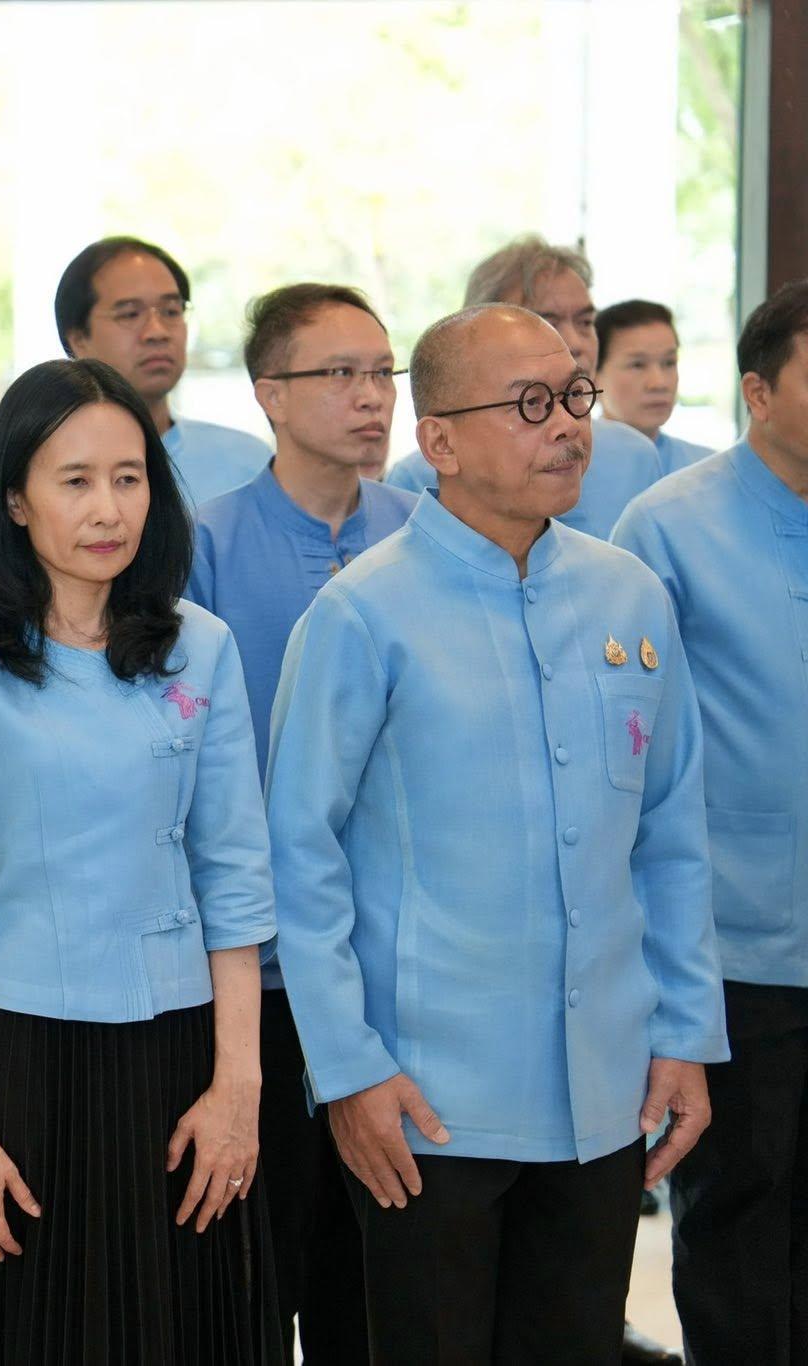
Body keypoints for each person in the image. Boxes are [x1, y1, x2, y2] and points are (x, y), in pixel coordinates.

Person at [271, 303, 726, 1364]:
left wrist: (681, 1034)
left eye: (573, 395)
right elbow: (297, 854)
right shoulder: (361, 614)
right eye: (529, 405)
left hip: (603, 1087)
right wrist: (346, 1069)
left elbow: (669, 835)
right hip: (426, 1103)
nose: (566, 425)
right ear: (438, 440)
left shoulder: (628, 596)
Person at [0, 357, 279, 1364]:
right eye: (74, 480)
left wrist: (237, 1089)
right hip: (22, 1062)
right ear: (15, 499)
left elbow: (235, 880)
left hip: (182, 1060)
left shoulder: (201, 647)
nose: (108, 508)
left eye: (128, 477)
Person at [185, 282, 416, 1363]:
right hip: (259, 967)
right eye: (340, 374)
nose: (371, 397)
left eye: (382, 373)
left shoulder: (422, 533)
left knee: (376, 1271)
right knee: (260, 1255)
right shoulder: (206, 542)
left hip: (396, 961)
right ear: (269, 394)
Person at [613, 280, 808, 1364]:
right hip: (735, 948)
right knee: (741, 1218)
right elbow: (634, 754)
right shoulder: (668, 526)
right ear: (756, 392)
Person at [0, 235, 271, 530]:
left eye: (171, 311)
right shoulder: (7, 456)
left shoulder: (248, 460)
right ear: (77, 339)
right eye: (130, 314)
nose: (157, 331)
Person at [386, 235, 665, 538]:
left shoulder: (635, 455)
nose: (575, 343)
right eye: (544, 322)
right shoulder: (417, 476)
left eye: (585, 322)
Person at [598, 299, 712, 475]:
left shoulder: (709, 470)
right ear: (593, 375)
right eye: (637, 365)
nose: (659, 383)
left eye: (669, 362)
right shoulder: (572, 470)